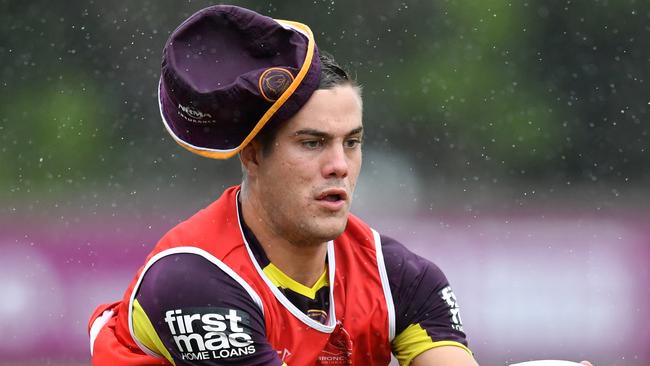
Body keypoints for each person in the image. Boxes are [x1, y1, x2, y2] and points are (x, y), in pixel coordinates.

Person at [87, 5, 592, 366]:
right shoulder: (193, 278)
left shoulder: (401, 280)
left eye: (352, 142)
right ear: (252, 154)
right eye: (312, 143)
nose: (339, 166)